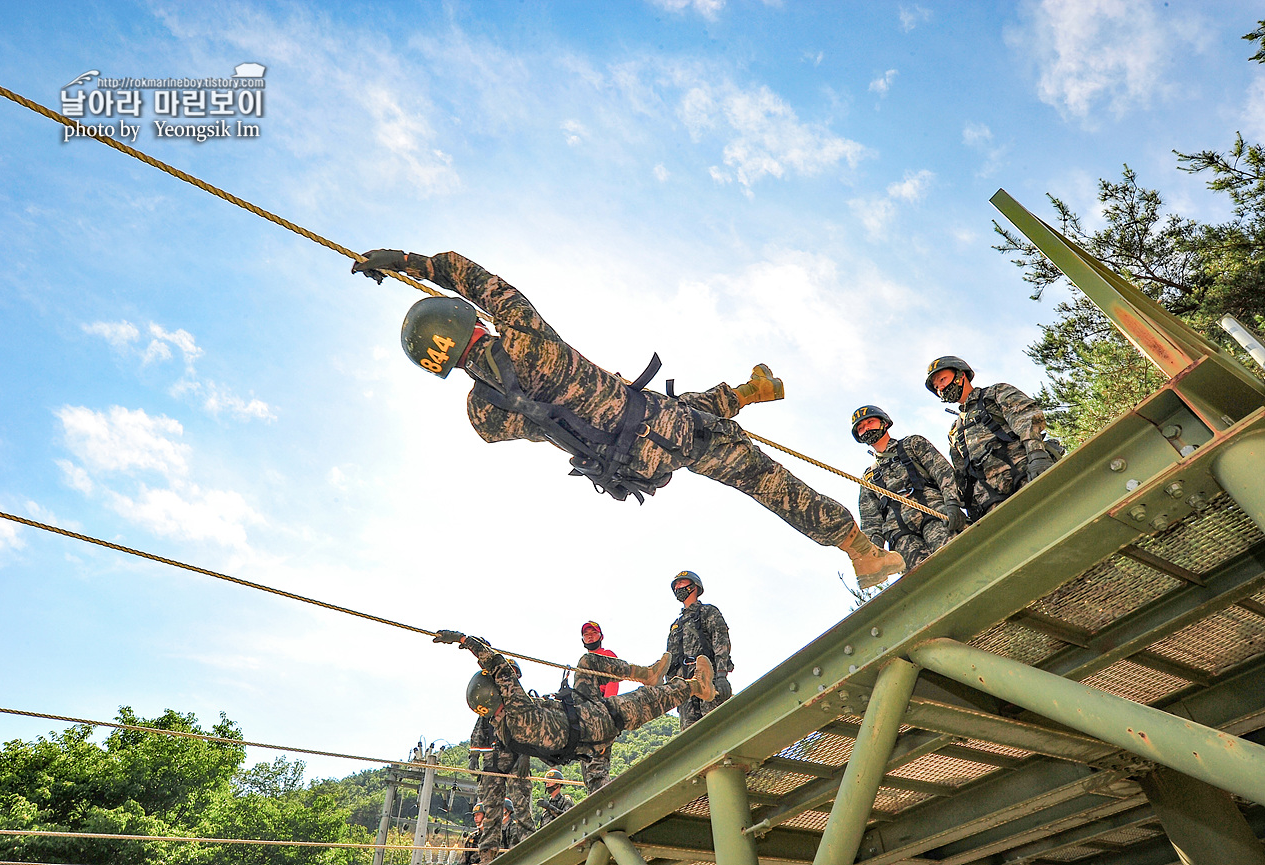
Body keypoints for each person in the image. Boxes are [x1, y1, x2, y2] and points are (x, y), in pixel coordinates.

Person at [351, 250, 904, 584]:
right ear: (467, 318)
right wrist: (404, 263)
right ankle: (859, 550)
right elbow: (465, 272)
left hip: (632, 466)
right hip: (664, 428)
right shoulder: (524, 336)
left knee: (682, 409)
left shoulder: (482, 418)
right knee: (765, 478)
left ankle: (745, 390)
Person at [434, 628, 714, 843]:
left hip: (582, 740)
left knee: (599, 786)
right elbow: (500, 668)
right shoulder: (518, 712)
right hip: (592, 721)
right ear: (496, 693)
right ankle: (693, 685)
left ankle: (649, 674)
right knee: (641, 700)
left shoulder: (505, 727)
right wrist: (465, 640)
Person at [924, 357, 1056, 521]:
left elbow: (1027, 418)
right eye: (936, 387)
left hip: (1024, 475)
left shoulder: (994, 394)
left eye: (942, 379)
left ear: (961, 375)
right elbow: (962, 475)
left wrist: (1037, 454)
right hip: (991, 501)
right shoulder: (954, 432)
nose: (941, 388)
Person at [851, 405, 966, 580]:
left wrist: (952, 503)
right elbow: (870, 522)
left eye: (870, 422)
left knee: (957, 562)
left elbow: (943, 472)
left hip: (934, 515)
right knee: (921, 582)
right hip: (901, 534)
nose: (866, 428)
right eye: (861, 428)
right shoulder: (869, 478)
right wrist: (871, 555)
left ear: (883, 423)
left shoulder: (912, 444)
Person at [571, 620, 670, 790]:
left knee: (597, 767)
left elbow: (612, 684)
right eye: (586, 635)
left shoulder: (605, 655)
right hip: (585, 718)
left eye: (593, 634)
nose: (589, 637)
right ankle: (593, 798)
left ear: (600, 636)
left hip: (599, 711)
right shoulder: (583, 664)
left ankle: (600, 799)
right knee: (587, 768)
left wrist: (606, 711)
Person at [467, 661, 534, 858]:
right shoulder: (489, 701)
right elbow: (479, 731)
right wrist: (474, 756)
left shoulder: (522, 702)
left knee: (522, 807)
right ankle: (487, 855)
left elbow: (530, 731)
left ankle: (529, 848)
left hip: (515, 760)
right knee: (490, 812)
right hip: (492, 762)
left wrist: (526, 756)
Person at [665, 571, 732, 730]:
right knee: (690, 735)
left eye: (681, 583)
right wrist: (672, 689)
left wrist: (721, 674)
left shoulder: (708, 612)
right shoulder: (676, 625)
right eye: (675, 586)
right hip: (685, 688)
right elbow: (670, 660)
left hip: (708, 679)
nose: (678, 588)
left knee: (715, 727)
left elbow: (721, 641)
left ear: (694, 586)